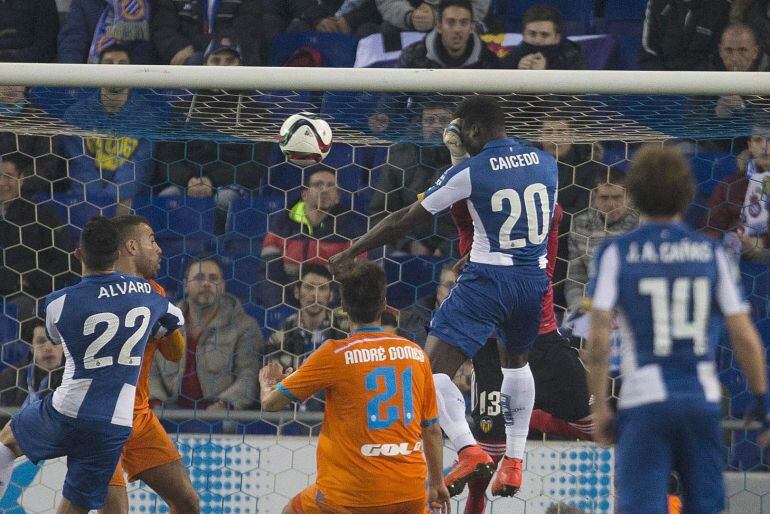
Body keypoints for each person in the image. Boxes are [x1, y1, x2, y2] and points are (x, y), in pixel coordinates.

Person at [331, 95, 558, 498]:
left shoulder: (472, 170)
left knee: (426, 372)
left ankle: (468, 449)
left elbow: (404, 219)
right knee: (516, 364)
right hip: (534, 281)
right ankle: (515, 460)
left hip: (487, 282)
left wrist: (352, 249)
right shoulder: (546, 161)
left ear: (472, 130)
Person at [586, 145, 770, 514]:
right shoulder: (711, 252)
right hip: (700, 400)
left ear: (634, 194)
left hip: (643, 401)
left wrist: (601, 406)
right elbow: (745, 338)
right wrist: (763, 401)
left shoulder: (615, 252)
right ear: (688, 195)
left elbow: (598, 338)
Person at [0, 216, 184, 513]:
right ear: (121, 251)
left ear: (79, 255)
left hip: (73, 409)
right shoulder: (152, 298)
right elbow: (173, 327)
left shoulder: (59, 301)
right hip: (114, 422)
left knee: (7, 441)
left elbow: (55, 335)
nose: (158, 248)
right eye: (152, 239)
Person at [259, 260, 451, 513]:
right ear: (383, 305)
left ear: (344, 306)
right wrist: (437, 483)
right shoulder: (415, 353)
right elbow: (432, 429)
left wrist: (267, 385)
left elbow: (271, 404)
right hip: (409, 494)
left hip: (349, 495)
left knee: (290, 510)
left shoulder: (333, 354)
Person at [100, 215, 198, 514]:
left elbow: (174, 354)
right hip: (99, 418)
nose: (159, 249)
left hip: (138, 415)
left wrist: (172, 328)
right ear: (131, 246)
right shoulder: (97, 290)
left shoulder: (155, 294)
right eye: (152, 240)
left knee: (187, 502)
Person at [150, 257, 263, 410]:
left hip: (223, 417)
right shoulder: (164, 324)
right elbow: (150, 371)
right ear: (185, 285)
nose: (206, 283)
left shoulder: (244, 326)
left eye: (213, 278)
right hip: (169, 413)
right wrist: (156, 402)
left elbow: (249, 375)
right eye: (199, 277)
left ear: (222, 286)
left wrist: (225, 404)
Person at [368, 0, 498, 133]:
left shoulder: (488, 61)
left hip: (470, 136)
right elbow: (393, 94)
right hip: (421, 134)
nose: (457, 29)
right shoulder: (414, 55)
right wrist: (383, 114)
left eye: (463, 23)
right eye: (451, 22)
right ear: (439, 26)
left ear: (472, 27)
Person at [58, 44, 154, 214]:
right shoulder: (75, 115)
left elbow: (139, 167)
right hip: (85, 198)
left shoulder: (147, 115)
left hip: (130, 200)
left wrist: (110, 197)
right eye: (109, 63)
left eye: (122, 63)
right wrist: (97, 202)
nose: (115, 69)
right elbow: (79, 165)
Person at [369, 99, 457, 255]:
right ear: (420, 124)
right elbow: (380, 212)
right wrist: (408, 244)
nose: (436, 126)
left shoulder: (468, 160)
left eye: (443, 120)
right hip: (408, 252)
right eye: (430, 121)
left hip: (457, 251)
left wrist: (447, 248)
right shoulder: (400, 158)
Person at [261, 167, 365, 283]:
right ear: (305, 194)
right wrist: (285, 300)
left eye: (330, 185)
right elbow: (268, 275)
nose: (324, 190)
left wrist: (329, 298)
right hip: (288, 297)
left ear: (337, 197)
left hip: (331, 298)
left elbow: (355, 277)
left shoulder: (351, 228)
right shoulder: (282, 225)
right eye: (318, 185)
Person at [0, 153, 74, 311]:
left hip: (27, 294)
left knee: (21, 309)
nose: (1, 183)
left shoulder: (41, 214)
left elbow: (65, 260)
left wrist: (26, 280)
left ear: (22, 177)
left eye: (8, 176)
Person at [565, 168, 639, 313]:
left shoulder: (641, 227)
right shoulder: (580, 224)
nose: (611, 204)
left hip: (631, 310)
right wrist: (580, 308)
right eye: (604, 198)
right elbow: (575, 278)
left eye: (617, 197)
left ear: (628, 197)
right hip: (591, 308)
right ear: (594, 197)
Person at [265, 264, 346, 371]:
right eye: (309, 287)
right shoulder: (281, 337)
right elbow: (274, 382)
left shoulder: (345, 331)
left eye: (322, 288)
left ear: (331, 295)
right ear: (297, 292)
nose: (315, 294)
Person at [151, 0, 261, 66]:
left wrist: (196, 46)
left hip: (233, 54)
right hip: (186, 58)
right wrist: (176, 48)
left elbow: (244, 31)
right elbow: (163, 28)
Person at [639, 0, 731, 71]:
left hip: (706, 86)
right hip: (663, 86)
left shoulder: (721, 7)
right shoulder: (658, 4)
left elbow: (722, 56)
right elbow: (648, 52)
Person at [57, 0, 153, 64]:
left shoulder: (144, 5)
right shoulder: (84, 3)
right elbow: (71, 43)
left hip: (133, 80)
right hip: (90, 80)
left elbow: (144, 51)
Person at [0, 317, 64, 409]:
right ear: (31, 347)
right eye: (41, 341)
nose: (48, 347)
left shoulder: (76, 378)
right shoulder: (10, 377)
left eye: (55, 341)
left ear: (63, 345)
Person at [501, 4, 587, 70]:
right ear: (523, 34)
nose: (537, 40)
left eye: (544, 35)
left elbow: (581, 89)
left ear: (557, 37)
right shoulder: (513, 57)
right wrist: (515, 75)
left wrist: (546, 73)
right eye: (532, 34)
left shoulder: (571, 58)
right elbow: (497, 90)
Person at [711, 24, 770, 118]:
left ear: (755, 52)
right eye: (729, 50)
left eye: (742, 50)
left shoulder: (767, 75)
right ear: (720, 51)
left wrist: (742, 108)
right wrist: (715, 113)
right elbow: (692, 119)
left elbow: (765, 120)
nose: (734, 58)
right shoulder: (708, 75)